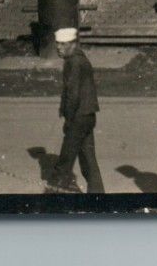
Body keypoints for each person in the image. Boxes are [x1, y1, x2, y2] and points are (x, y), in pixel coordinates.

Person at [49, 27, 104, 193]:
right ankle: (98, 196)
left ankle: (55, 193)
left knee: (66, 159)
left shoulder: (74, 62)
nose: (58, 47)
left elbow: (73, 94)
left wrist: (69, 118)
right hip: (88, 115)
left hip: (78, 117)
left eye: (63, 44)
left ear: (72, 44)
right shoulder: (79, 59)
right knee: (88, 159)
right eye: (57, 43)